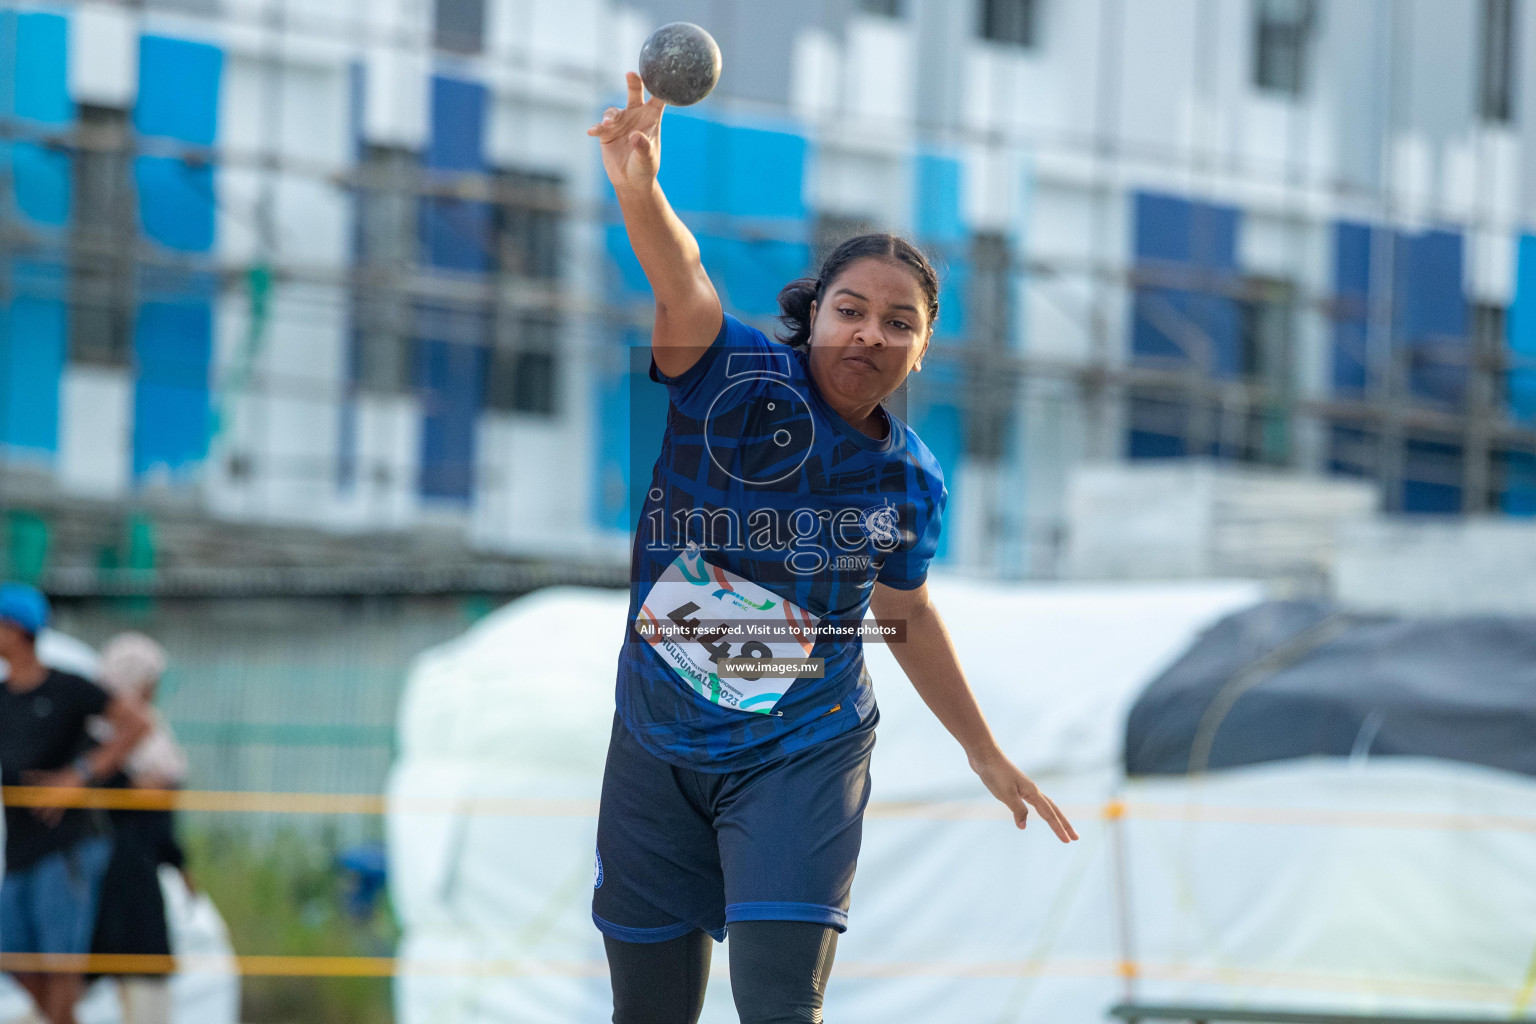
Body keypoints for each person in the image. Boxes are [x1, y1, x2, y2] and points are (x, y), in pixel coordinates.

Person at [588, 73, 1080, 1024]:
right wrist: (639, 187)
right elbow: (681, 276)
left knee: (778, 1006)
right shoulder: (727, 374)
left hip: (801, 747)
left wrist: (984, 751)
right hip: (656, 737)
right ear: (814, 314)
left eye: (901, 323)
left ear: (924, 349)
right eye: (851, 309)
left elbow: (904, 616)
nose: (871, 333)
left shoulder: (910, 481)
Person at [0, 583, 151, 1024]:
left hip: (69, 843)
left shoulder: (68, 688)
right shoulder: (4, 697)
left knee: (59, 956)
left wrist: (77, 778)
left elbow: (137, 724)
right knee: (11, 951)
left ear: (16, 629)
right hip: (22, 843)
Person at [89, 632, 190, 1024]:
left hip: (140, 873)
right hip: (103, 873)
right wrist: (128, 787)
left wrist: (181, 865)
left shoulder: (157, 740)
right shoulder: (93, 736)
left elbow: (163, 825)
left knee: (144, 988)